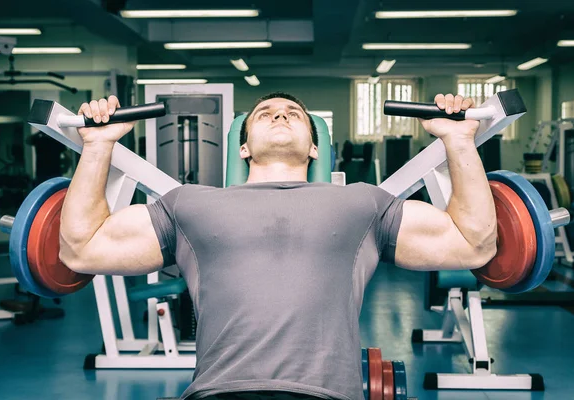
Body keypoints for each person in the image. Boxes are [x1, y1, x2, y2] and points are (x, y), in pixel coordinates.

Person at [59, 92, 497, 400]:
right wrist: (97, 146)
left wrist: (457, 139)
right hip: (218, 393)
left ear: (312, 146)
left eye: (294, 113)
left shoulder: (363, 202)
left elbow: (472, 244)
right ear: (244, 147)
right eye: (266, 112)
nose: (281, 115)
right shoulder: (188, 204)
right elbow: (82, 250)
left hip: (326, 395)